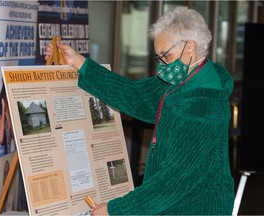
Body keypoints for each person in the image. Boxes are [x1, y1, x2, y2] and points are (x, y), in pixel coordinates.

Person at [46, 6, 234, 215]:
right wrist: (80, 64)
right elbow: (134, 94)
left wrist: (114, 210)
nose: (162, 66)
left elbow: (170, 183)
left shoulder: (202, 107)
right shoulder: (184, 78)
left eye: (166, 56)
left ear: (190, 47)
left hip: (195, 208)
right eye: (158, 57)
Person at [0, 82, 16, 154]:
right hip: (3, 154)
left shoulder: (10, 118)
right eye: (5, 98)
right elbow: (1, 140)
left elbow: (13, 136)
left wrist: (7, 114)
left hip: (10, 152)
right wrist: (3, 109)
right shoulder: (0, 120)